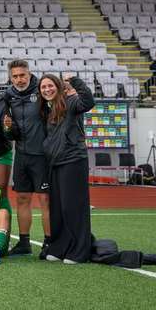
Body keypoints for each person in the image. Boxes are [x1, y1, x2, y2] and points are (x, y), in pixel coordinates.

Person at [38, 73, 95, 264]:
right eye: (43, 87)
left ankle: (78, 251)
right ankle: (60, 247)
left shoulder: (71, 101)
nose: (47, 90)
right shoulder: (50, 108)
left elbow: (88, 102)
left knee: (74, 208)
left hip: (73, 160)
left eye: (50, 86)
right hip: (56, 162)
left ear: (59, 86)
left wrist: (76, 81)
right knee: (59, 208)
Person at [3, 59, 51, 258]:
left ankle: (49, 243)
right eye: (15, 76)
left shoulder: (42, 90)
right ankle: (24, 243)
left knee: (45, 200)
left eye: (22, 75)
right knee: (22, 198)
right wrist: (8, 128)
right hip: (21, 155)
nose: (19, 79)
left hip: (42, 155)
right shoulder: (9, 95)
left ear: (29, 73)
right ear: (10, 77)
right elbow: (10, 132)